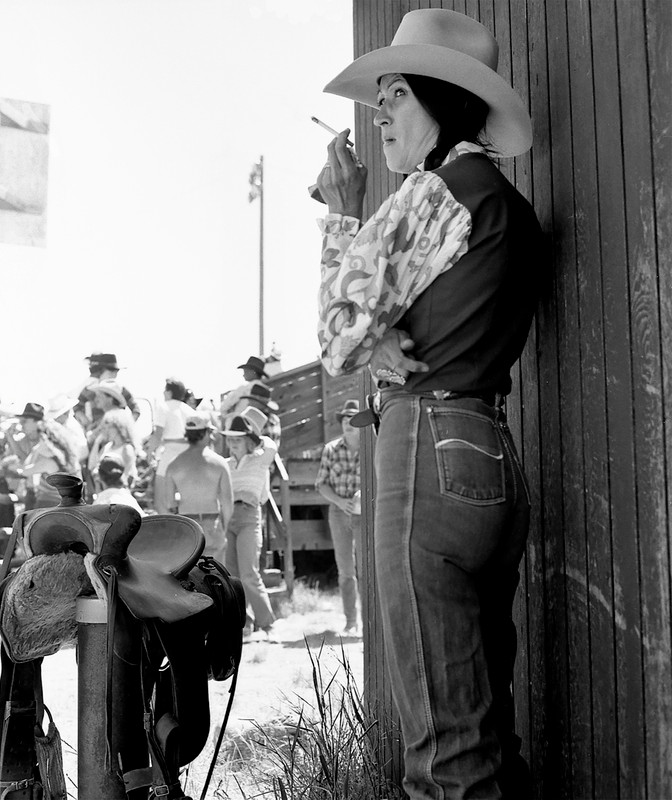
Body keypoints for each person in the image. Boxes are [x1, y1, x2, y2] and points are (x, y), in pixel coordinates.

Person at [315, 9, 543, 798]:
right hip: (489, 451)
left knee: (445, 755)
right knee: (487, 729)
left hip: (425, 447)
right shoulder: (503, 205)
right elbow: (422, 317)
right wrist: (380, 335)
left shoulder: (430, 193)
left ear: (443, 101)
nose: (380, 112)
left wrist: (344, 211)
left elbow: (339, 338)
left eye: (398, 94)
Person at [222, 407, 278, 640]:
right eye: (230, 439)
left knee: (249, 573)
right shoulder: (224, 464)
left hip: (249, 516)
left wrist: (252, 428)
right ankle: (245, 624)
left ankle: (268, 625)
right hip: (228, 517)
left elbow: (271, 445)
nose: (232, 443)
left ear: (248, 441)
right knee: (233, 575)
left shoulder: (260, 459)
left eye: (238, 439)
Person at [315, 399, 362, 637]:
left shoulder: (371, 447)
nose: (348, 424)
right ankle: (351, 621)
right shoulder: (331, 449)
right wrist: (340, 501)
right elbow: (321, 484)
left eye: (353, 420)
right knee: (346, 571)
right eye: (345, 420)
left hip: (365, 513)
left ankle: (370, 621)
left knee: (367, 569)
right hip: (338, 511)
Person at [163, 413, 232, 563]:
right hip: (211, 523)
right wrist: (223, 528)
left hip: (187, 528)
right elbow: (227, 503)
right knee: (217, 577)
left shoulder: (174, 465)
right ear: (207, 432)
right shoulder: (219, 464)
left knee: (190, 577)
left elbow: (169, 504)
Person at [144, 378, 196, 511]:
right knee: (186, 496)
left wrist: (150, 451)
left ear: (169, 392)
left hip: (170, 453)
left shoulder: (163, 406)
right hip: (189, 454)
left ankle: (167, 524)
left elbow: (158, 433)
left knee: (161, 497)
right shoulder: (189, 410)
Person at [74, 352, 140, 432]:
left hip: (115, 433)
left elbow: (136, 410)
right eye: (111, 371)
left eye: (115, 371)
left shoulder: (120, 389)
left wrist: (125, 427)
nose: (115, 374)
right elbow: (76, 407)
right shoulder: (89, 390)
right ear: (101, 371)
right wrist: (87, 424)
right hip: (96, 432)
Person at [218, 355, 268, 425]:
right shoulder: (265, 390)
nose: (243, 374)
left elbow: (224, 407)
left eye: (246, 371)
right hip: (259, 425)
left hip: (240, 425)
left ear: (253, 372)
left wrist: (230, 414)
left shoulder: (244, 388)